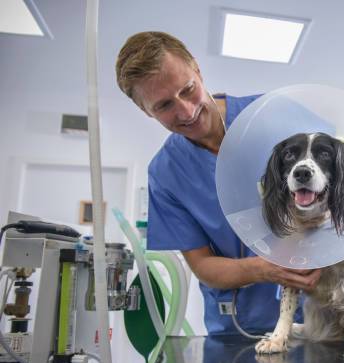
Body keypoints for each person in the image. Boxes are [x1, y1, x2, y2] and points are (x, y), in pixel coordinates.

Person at [115, 31, 320, 335]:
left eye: (187, 89)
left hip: (319, 312)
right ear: (146, 111)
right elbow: (202, 265)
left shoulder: (273, 116)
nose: (186, 111)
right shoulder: (165, 173)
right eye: (164, 106)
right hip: (238, 325)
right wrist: (263, 269)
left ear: (197, 68)